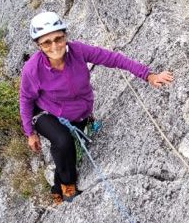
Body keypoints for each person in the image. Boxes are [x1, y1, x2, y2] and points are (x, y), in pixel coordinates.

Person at [20, 11, 174, 205]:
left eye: (58, 38)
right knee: (63, 141)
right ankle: (67, 187)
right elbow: (26, 99)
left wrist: (149, 75)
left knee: (67, 144)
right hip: (44, 112)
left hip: (78, 112)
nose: (54, 46)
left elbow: (115, 59)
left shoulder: (79, 51)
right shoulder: (33, 69)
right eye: (46, 42)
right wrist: (30, 133)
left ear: (65, 36)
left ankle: (56, 187)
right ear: (38, 46)